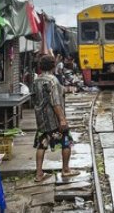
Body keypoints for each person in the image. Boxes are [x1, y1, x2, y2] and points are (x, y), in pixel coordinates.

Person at [33, 54, 79, 182]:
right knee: (66, 142)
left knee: (41, 145)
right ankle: (65, 170)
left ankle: (39, 174)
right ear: (53, 66)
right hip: (54, 120)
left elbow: (36, 98)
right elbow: (55, 102)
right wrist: (62, 119)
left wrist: (67, 89)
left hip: (41, 120)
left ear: (41, 67)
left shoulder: (37, 80)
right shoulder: (53, 80)